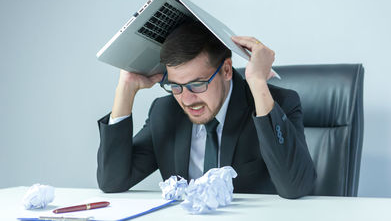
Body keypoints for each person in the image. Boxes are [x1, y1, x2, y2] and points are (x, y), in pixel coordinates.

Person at [97, 21, 316, 199]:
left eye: (198, 84)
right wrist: (125, 89)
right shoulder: (165, 112)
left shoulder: (274, 104)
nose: (187, 99)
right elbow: (113, 181)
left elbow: (295, 187)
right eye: (176, 86)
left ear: (227, 70)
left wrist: (257, 82)